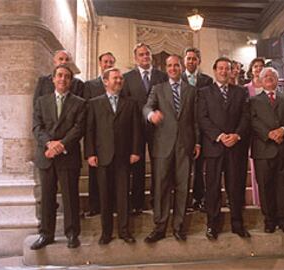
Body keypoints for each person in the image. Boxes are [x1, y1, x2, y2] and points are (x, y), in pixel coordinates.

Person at [143, 55, 200, 243]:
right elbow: (146, 107)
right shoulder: (157, 89)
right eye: (170, 66)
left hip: (185, 145)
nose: (173, 68)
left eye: (176, 65)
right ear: (166, 68)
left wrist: (197, 142)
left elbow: (195, 120)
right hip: (163, 145)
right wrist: (151, 115)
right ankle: (160, 227)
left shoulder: (191, 90)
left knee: (183, 186)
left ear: (181, 67)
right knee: (161, 186)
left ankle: (179, 227)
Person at [84, 67, 142, 245]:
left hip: (124, 157)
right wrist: (90, 154)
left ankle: (125, 231)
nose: (119, 81)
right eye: (115, 78)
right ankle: (106, 233)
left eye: (120, 79)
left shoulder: (130, 103)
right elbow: (90, 131)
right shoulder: (94, 103)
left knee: (123, 196)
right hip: (103, 156)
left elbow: (136, 131)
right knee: (105, 196)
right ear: (105, 81)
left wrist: (135, 151)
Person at [31, 64, 86, 250]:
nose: (63, 79)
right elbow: (37, 127)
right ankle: (46, 234)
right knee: (47, 197)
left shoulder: (79, 103)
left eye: (67, 77)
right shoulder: (41, 102)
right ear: (53, 79)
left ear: (71, 81)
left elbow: (79, 128)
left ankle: (72, 234)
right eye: (60, 76)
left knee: (70, 197)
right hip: (46, 156)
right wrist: (49, 144)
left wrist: (60, 145)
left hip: (68, 155)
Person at [198, 57, 250, 240]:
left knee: (235, 186)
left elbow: (246, 117)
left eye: (227, 68)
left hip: (235, 147)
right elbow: (202, 118)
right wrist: (220, 136)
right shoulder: (204, 92)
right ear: (214, 70)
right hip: (214, 147)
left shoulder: (241, 92)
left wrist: (236, 135)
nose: (223, 71)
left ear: (230, 71)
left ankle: (238, 224)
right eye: (220, 68)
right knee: (212, 188)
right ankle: (213, 225)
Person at [250, 67, 284, 235]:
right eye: (265, 76)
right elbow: (252, 121)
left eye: (272, 76)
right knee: (265, 186)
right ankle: (269, 220)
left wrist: (283, 130)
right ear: (261, 80)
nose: (269, 78)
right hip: (263, 150)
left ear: (277, 80)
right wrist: (269, 133)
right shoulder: (253, 101)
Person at [123, 43, 168, 214]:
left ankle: (157, 199)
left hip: (159, 127)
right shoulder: (127, 78)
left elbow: (167, 101)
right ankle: (137, 202)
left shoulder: (162, 76)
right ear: (135, 58)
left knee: (159, 164)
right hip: (136, 129)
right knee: (137, 166)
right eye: (141, 55)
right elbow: (126, 104)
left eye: (148, 54)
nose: (145, 57)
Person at [83, 52, 116, 217]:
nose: (108, 64)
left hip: (114, 137)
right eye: (105, 61)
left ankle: (113, 204)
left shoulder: (118, 83)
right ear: (99, 63)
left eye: (111, 62)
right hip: (96, 135)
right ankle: (94, 205)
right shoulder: (90, 85)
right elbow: (87, 112)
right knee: (94, 173)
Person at [181, 47, 213, 212]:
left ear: (199, 61)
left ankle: (199, 199)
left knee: (200, 168)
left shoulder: (207, 81)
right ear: (184, 61)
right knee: (183, 167)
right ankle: (183, 200)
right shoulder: (177, 79)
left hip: (201, 128)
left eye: (194, 59)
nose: (191, 61)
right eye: (189, 58)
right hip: (183, 128)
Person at [244, 57, 265, 206]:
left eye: (261, 66)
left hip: (269, 132)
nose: (258, 69)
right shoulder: (245, 89)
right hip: (252, 133)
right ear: (251, 70)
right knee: (255, 167)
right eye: (255, 66)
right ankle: (258, 201)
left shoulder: (270, 85)